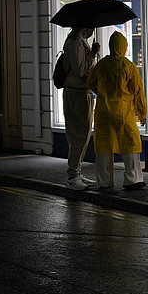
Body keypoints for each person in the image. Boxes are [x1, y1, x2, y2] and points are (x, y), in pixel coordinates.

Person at [86, 31, 147, 190]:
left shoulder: (102, 65)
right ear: (124, 46)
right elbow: (138, 91)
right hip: (124, 111)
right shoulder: (129, 66)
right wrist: (142, 113)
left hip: (104, 112)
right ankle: (132, 179)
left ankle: (104, 181)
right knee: (130, 144)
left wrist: (101, 93)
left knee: (104, 146)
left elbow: (90, 82)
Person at [62, 27, 100, 190]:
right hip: (78, 93)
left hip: (78, 92)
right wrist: (93, 53)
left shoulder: (76, 42)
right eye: (91, 26)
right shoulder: (75, 43)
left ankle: (76, 172)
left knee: (80, 135)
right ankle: (73, 176)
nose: (93, 29)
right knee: (80, 134)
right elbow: (80, 71)